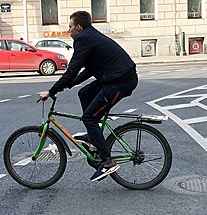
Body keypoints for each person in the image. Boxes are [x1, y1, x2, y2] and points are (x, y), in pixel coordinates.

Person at [39, 11, 138, 181]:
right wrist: (69, 85)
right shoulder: (90, 36)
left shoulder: (83, 39)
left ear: (78, 27)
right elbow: (89, 70)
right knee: (84, 93)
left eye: (70, 27)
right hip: (114, 78)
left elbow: (72, 70)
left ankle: (108, 162)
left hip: (121, 82)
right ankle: (93, 136)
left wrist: (52, 91)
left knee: (89, 118)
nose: (68, 30)